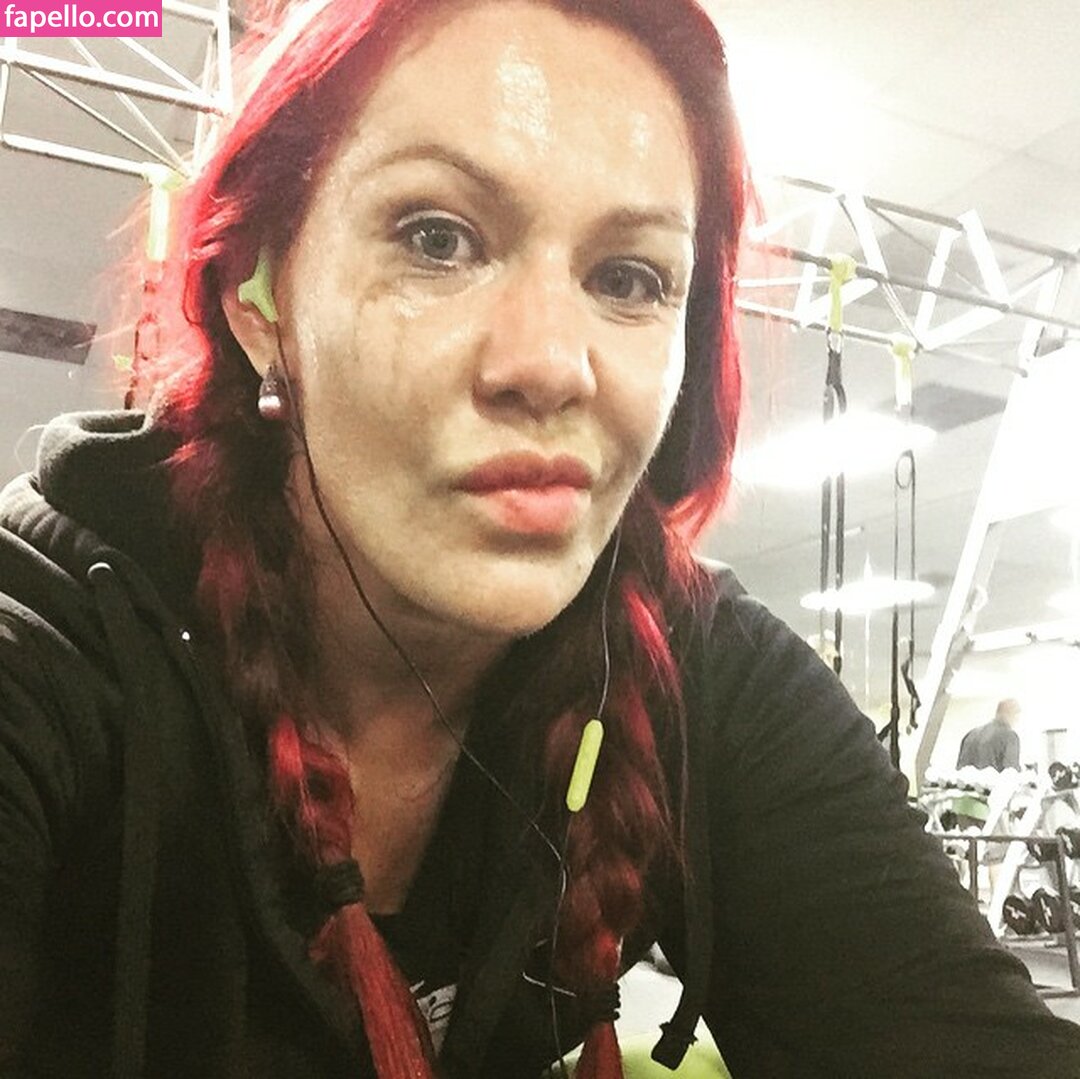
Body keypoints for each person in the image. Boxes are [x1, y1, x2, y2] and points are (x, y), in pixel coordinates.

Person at [1, 1, 1078, 1076]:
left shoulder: (687, 668)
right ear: (259, 297)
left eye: (628, 278)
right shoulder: (49, 644)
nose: (552, 365)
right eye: (437, 238)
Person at [957, 698, 1022, 772]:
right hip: (993, 779)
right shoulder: (1010, 737)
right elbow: (1011, 772)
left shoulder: (970, 734)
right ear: (1009, 713)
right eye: (1017, 713)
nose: (1017, 719)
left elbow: (959, 769)